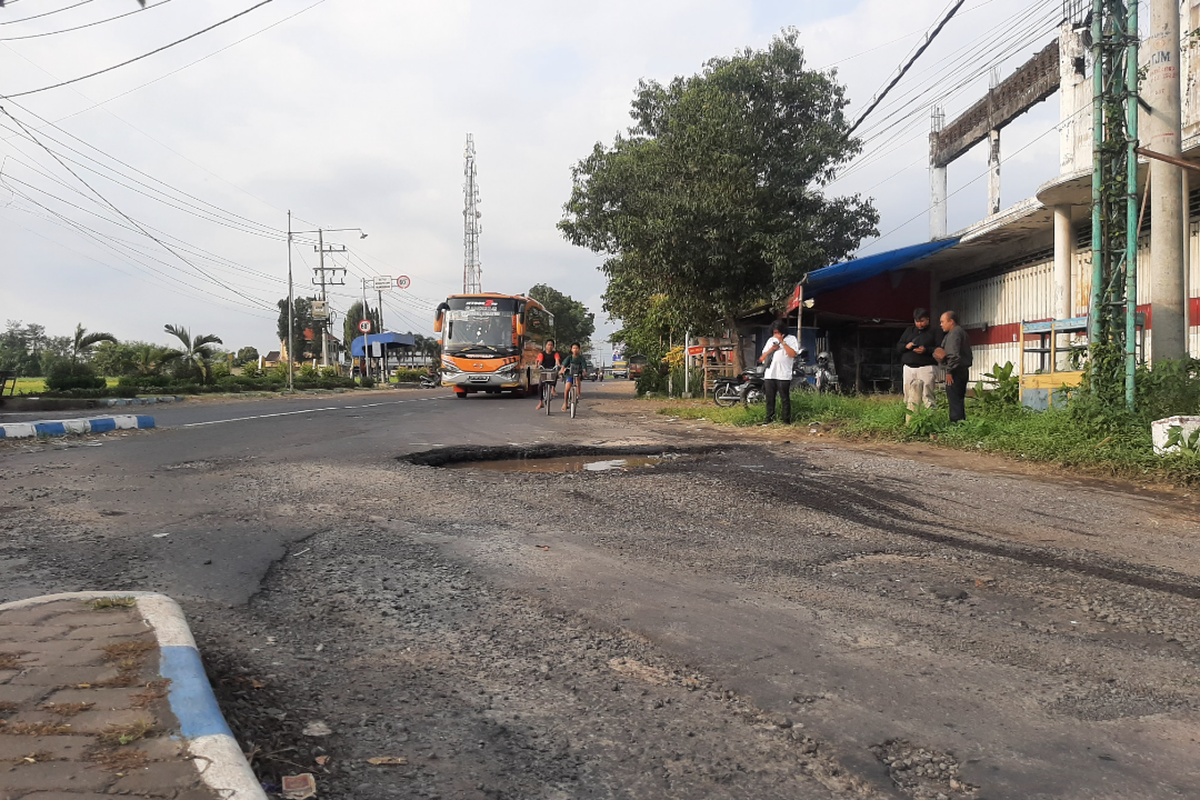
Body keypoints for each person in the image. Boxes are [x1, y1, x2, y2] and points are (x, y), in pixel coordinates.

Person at [896, 307, 941, 421]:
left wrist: (926, 350)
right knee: (908, 394)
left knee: (927, 395)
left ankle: (930, 420)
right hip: (909, 367)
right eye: (917, 321)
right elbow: (899, 346)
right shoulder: (909, 331)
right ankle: (909, 419)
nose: (919, 324)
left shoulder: (935, 331)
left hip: (927, 367)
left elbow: (940, 348)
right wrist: (907, 346)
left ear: (927, 319)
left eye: (922, 321)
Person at [758, 319, 800, 425]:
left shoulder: (791, 339)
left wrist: (782, 342)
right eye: (774, 332)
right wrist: (772, 349)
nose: (775, 335)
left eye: (777, 332)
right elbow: (762, 358)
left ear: (782, 331)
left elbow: (793, 354)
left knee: (784, 398)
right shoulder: (770, 340)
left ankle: (786, 421)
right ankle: (769, 419)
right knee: (770, 398)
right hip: (770, 374)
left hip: (783, 374)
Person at [935, 310, 973, 423]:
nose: (941, 324)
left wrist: (949, 371)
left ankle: (956, 423)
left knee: (954, 399)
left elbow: (954, 356)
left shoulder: (954, 334)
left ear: (951, 321)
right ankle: (961, 422)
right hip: (962, 370)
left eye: (943, 322)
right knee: (959, 400)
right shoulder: (960, 332)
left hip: (955, 371)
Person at [560, 342, 588, 412]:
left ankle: (578, 393)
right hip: (569, 374)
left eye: (577, 348)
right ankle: (565, 403)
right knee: (567, 388)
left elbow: (584, 366)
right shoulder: (569, 358)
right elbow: (564, 365)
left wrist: (584, 372)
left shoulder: (581, 358)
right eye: (574, 348)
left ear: (579, 349)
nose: (575, 350)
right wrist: (562, 370)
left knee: (578, 379)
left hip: (578, 374)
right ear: (571, 349)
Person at [535, 339, 561, 410]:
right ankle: (541, 402)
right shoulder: (542, 354)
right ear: (546, 346)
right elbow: (540, 361)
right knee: (540, 385)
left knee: (556, 374)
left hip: (552, 370)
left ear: (553, 346)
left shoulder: (555, 354)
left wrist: (558, 365)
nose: (550, 346)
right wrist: (538, 365)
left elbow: (557, 361)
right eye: (548, 345)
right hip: (544, 371)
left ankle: (553, 389)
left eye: (551, 345)